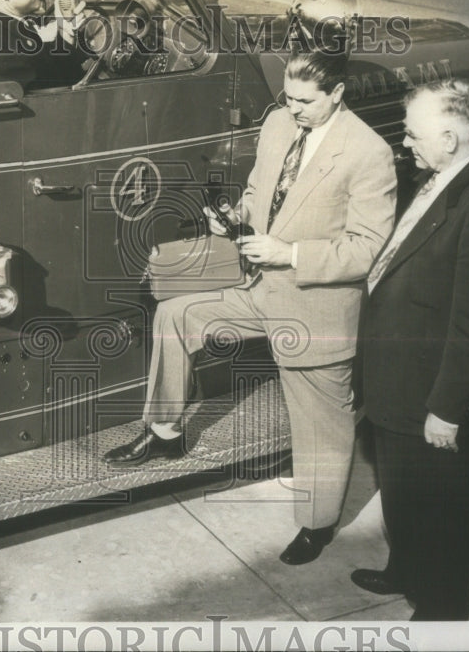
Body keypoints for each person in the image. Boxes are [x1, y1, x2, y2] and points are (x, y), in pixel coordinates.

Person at [103, 50, 397, 565]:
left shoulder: (368, 153)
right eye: (288, 95)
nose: (293, 108)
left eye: (307, 101)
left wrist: (291, 254)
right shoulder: (281, 123)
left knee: (321, 426)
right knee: (176, 315)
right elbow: (265, 188)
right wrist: (234, 215)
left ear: (337, 95)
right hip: (257, 286)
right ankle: (165, 432)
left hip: (314, 307)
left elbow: (367, 248)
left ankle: (318, 524)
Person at [350, 79, 469, 620]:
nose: (405, 144)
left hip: (431, 396)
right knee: (401, 489)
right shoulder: (436, 178)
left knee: (441, 508)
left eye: (413, 134)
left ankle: (442, 610)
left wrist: (447, 408)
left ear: (448, 137)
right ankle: (406, 569)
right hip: (397, 383)